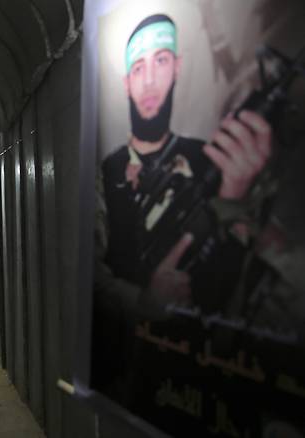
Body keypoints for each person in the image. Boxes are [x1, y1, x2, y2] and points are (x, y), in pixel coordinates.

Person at [99, 13, 272, 313]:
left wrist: (235, 200)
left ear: (177, 67)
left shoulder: (209, 159)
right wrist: (144, 302)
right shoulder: (108, 172)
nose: (150, 81)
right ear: (127, 82)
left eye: (162, 61)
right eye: (139, 68)